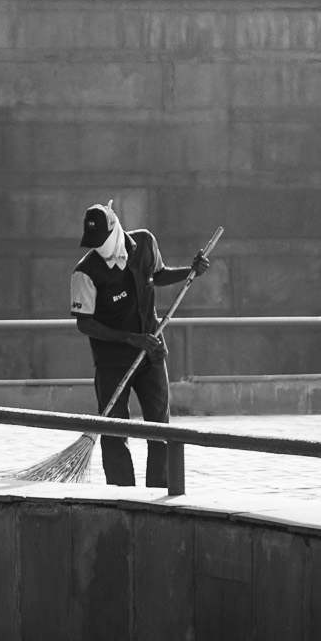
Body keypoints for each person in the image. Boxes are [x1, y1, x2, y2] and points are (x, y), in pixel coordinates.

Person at [68, 202, 210, 487]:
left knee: (158, 427)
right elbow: (85, 323)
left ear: (115, 229)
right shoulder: (84, 273)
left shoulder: (144, 242)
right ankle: (123, 494)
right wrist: (129, 338)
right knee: (115, 431)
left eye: (103, 241)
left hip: (151, 352)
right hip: (112, 361)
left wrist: (190, 271)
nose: (99, 248)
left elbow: (157, 275)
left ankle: (159, 492)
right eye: (93, 243)